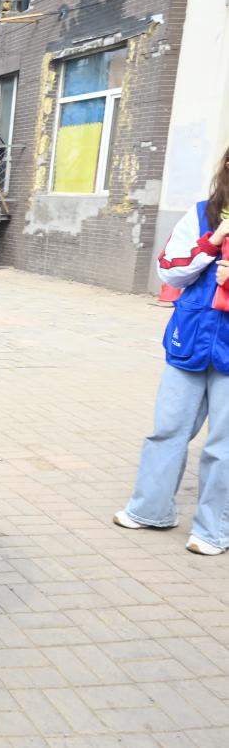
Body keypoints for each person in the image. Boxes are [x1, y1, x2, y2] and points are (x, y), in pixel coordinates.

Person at [114, 144, 229, 557]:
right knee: (167, 429)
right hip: (191, 341)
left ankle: (213, 530)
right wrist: (214, 241)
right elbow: (171, 271)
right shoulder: (201, 215)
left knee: (223, 447)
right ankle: (150, 510)